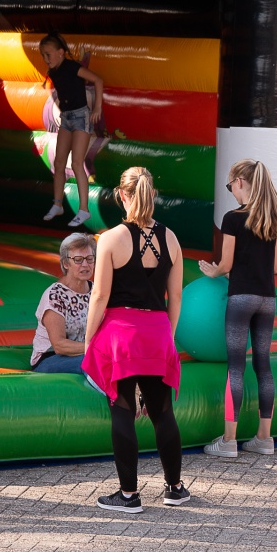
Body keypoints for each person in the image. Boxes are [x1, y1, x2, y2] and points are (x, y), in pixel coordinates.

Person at [82, 166, 188, 513]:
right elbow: (176, 297)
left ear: (122, 195)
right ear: (152, 193)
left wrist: (89, 340)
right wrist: (167, 336)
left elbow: (100, 295)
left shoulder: (111, 238)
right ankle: (175, 488)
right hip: (157, 332)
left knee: (123, 409)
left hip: (121, 335)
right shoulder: (171, 238)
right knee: (162, 411)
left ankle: (128, 495)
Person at [199, 160, 277, 458]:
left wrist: (213, 272)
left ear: (239, 182)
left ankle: (229, 440)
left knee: (236, 367)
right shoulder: (274, 217)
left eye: (230, 186)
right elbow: (275, 266)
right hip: (267, 299)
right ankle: (264, 438)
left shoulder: (233, 218)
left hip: (241, 299)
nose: (232, 191)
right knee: (264, 365)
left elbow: (226, 264)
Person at [39, 33, 104, 228]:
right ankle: (57, 204)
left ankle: (84, 210)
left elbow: (98, 80)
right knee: (59, 162)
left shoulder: (72, 67)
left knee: (77, 163)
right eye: (43, 55)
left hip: (81, 117)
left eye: (48, 54)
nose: (45, 59)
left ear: (60, 52)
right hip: (66, 118)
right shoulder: (53, 72)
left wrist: (97, 108)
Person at [32, 233, 96, 374]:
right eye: (78, 260)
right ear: (66, 264)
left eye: (90, 259)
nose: (85, 264)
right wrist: (98, 348)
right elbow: (59, 345)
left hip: (86, 353)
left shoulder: (97, 291)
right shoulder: (55, 295)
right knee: (95, 361)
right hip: (50, 358)